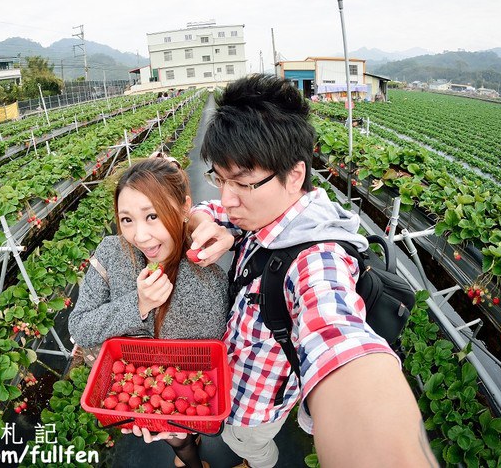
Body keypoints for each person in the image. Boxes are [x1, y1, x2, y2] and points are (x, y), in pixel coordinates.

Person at [188, 74, 436, 468]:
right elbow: (216, 210)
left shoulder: (317, 260)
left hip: (258, 405)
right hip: (236, 373)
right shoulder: (270, 212)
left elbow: (339, 338)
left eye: (244, 182)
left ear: (296, 175)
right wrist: (206, 220)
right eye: (219, 179)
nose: (227, 198)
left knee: (250, 446)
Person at [69, 156, 228, 468]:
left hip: (177, 390)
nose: (140, 236)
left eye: (152, 216)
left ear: (185, 208)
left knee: (180, 433)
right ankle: (188, 453)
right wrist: (138, 304)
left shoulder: (206, 272)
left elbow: (204, 353)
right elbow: (79, 327)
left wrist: (165, 407)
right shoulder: (111, 253)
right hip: (140, 387)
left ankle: (188, 449)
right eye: (127, 219)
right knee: (175, 438)